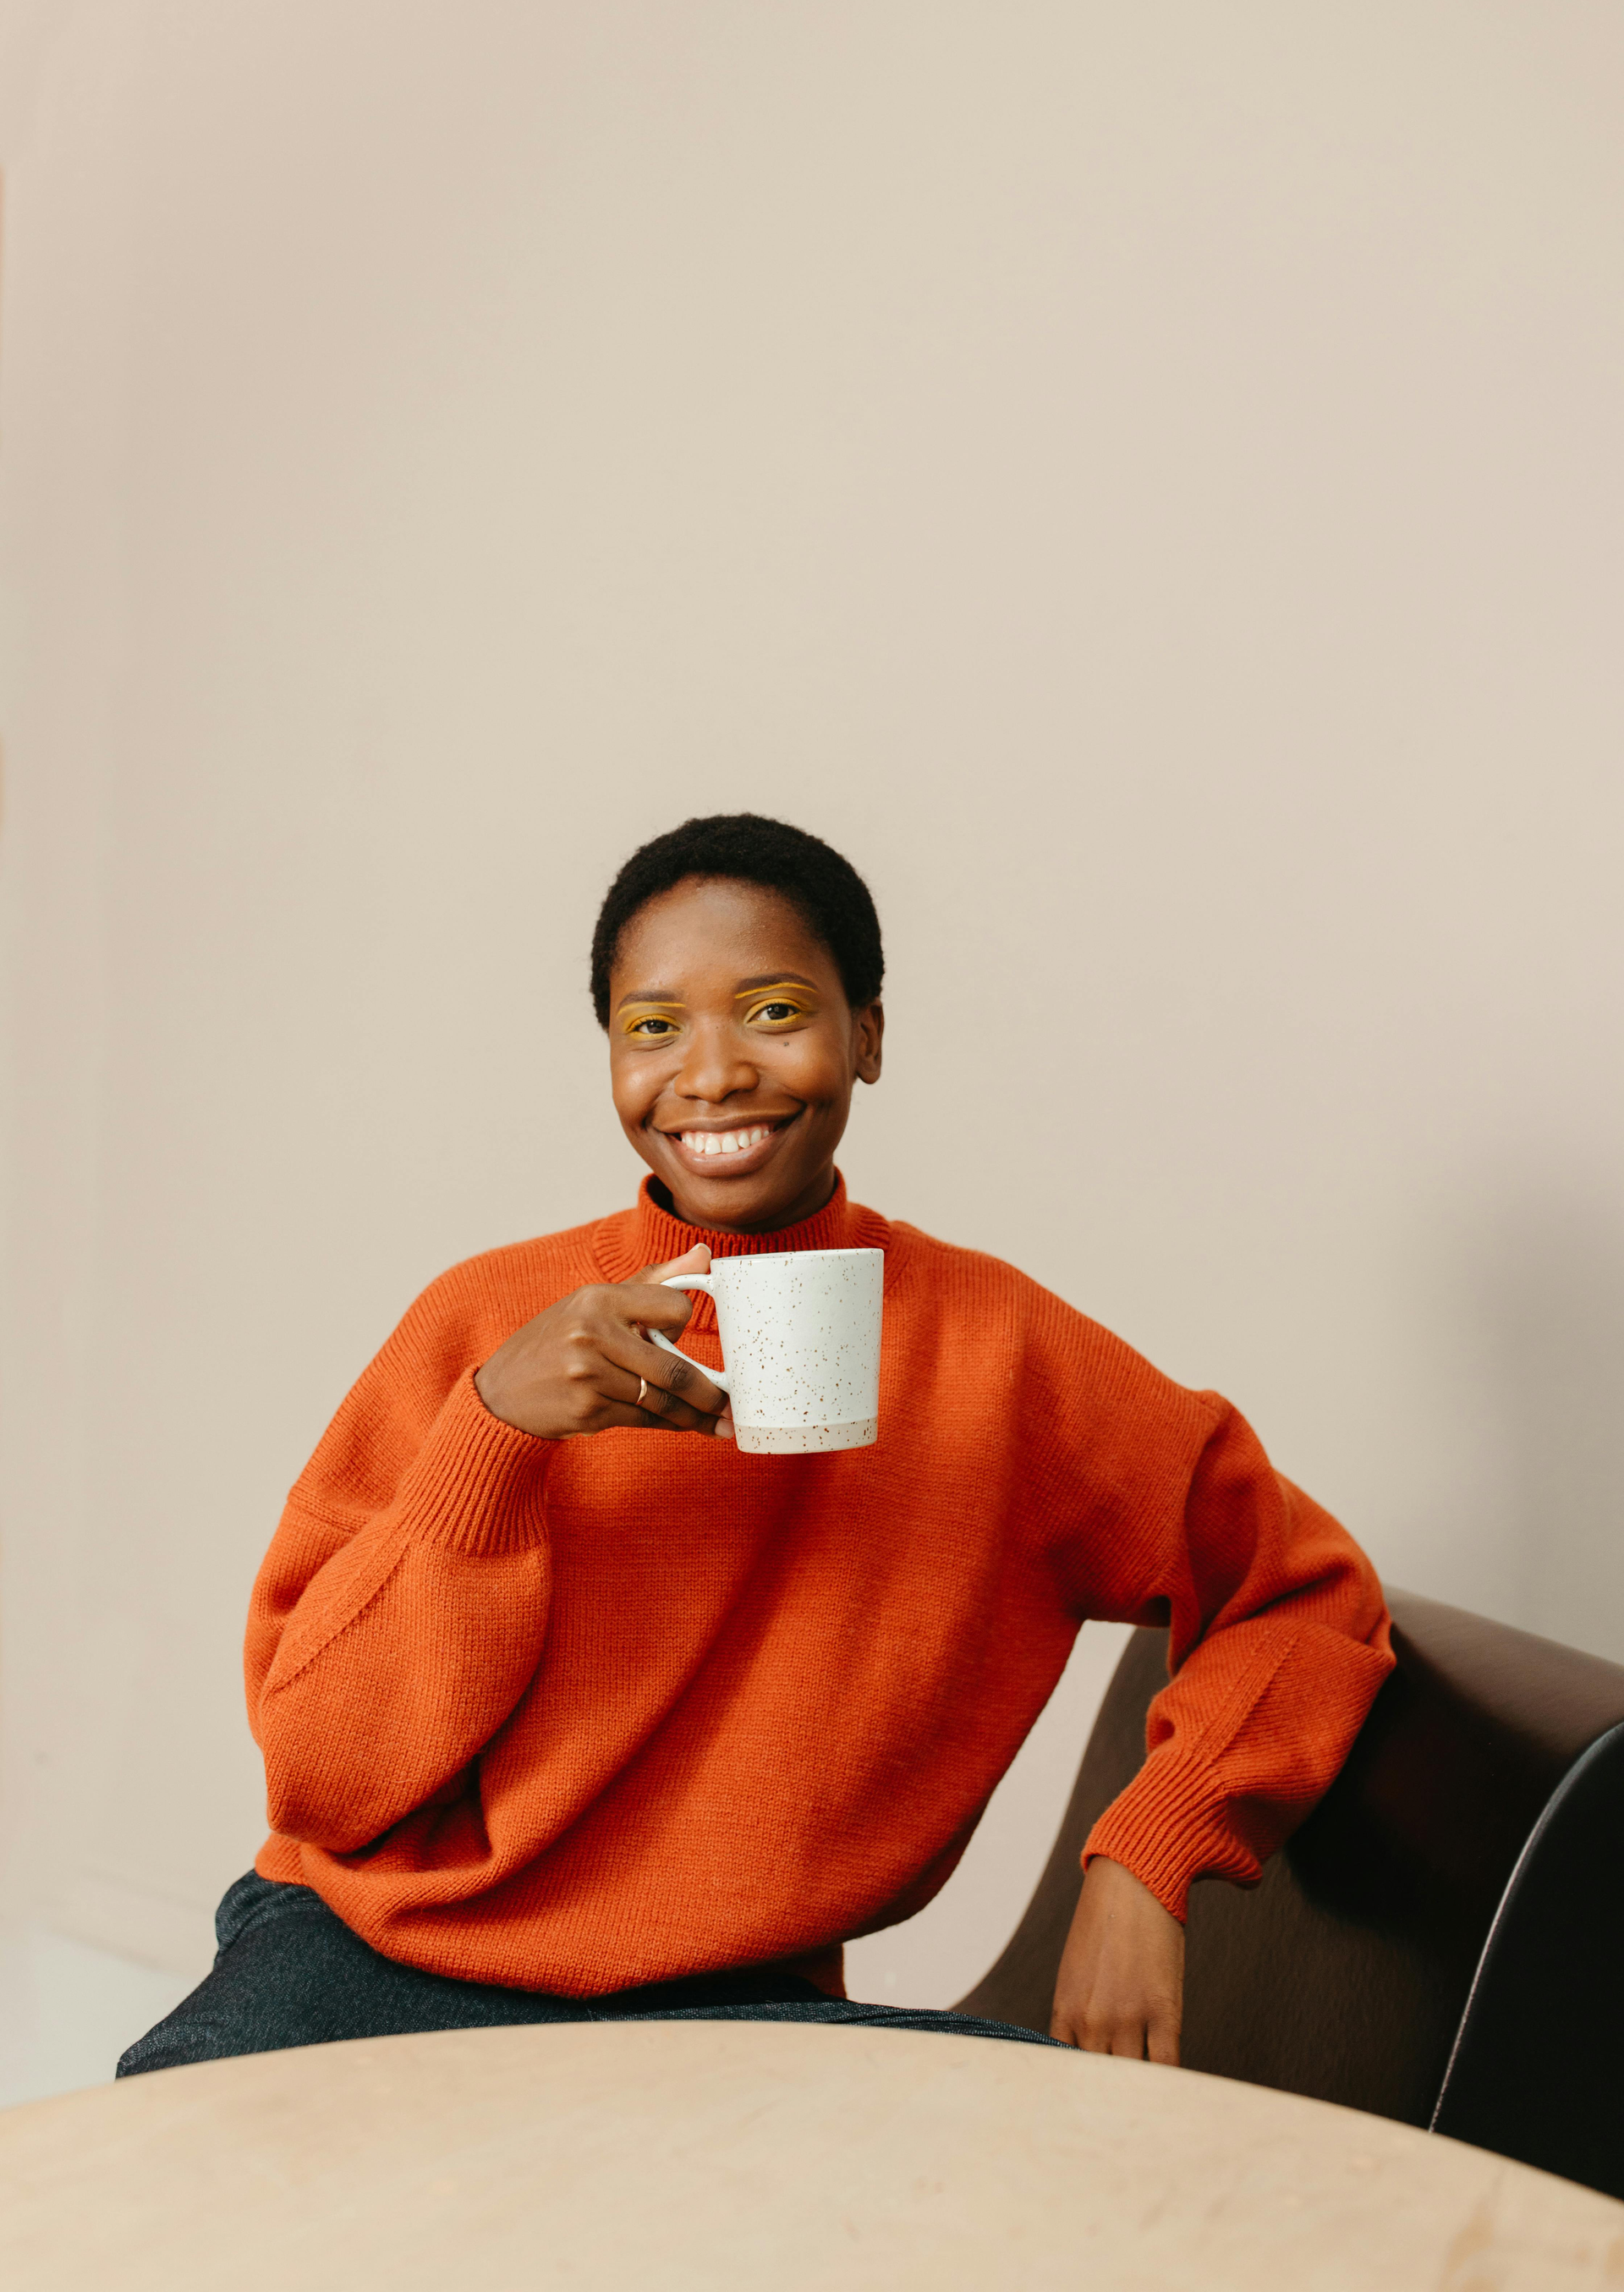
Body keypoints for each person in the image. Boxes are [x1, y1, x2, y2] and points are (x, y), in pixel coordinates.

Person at [120, 815, 1392, 2076]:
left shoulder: (998, 1352)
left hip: (733, 2012)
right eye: (654, 1027)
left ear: (869, 1035)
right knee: (157, 2202)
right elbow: (325, 1785)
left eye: (774, 1011)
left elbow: (1304, 1598)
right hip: (380, 1958)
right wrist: (492, 1440)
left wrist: (1146, 1857)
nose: (712, 1073)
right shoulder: (486, 1323)